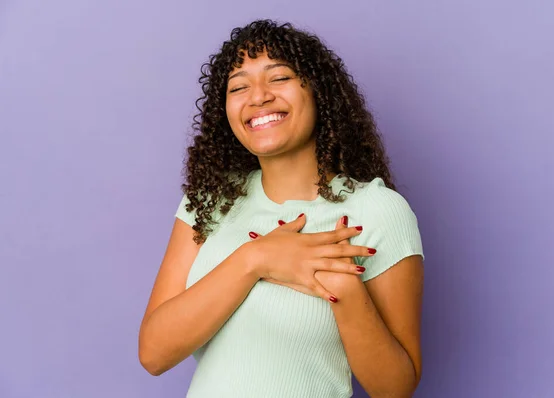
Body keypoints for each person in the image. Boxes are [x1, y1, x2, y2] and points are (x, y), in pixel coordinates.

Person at [138, 19, 425, 398]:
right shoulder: (209, 202)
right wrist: (255, 258)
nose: (257, 97)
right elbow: (154, 353)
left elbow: (395, 388)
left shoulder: (378, 210)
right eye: (239, 86)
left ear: (318, 91)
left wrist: (343, 288)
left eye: (279, 78)